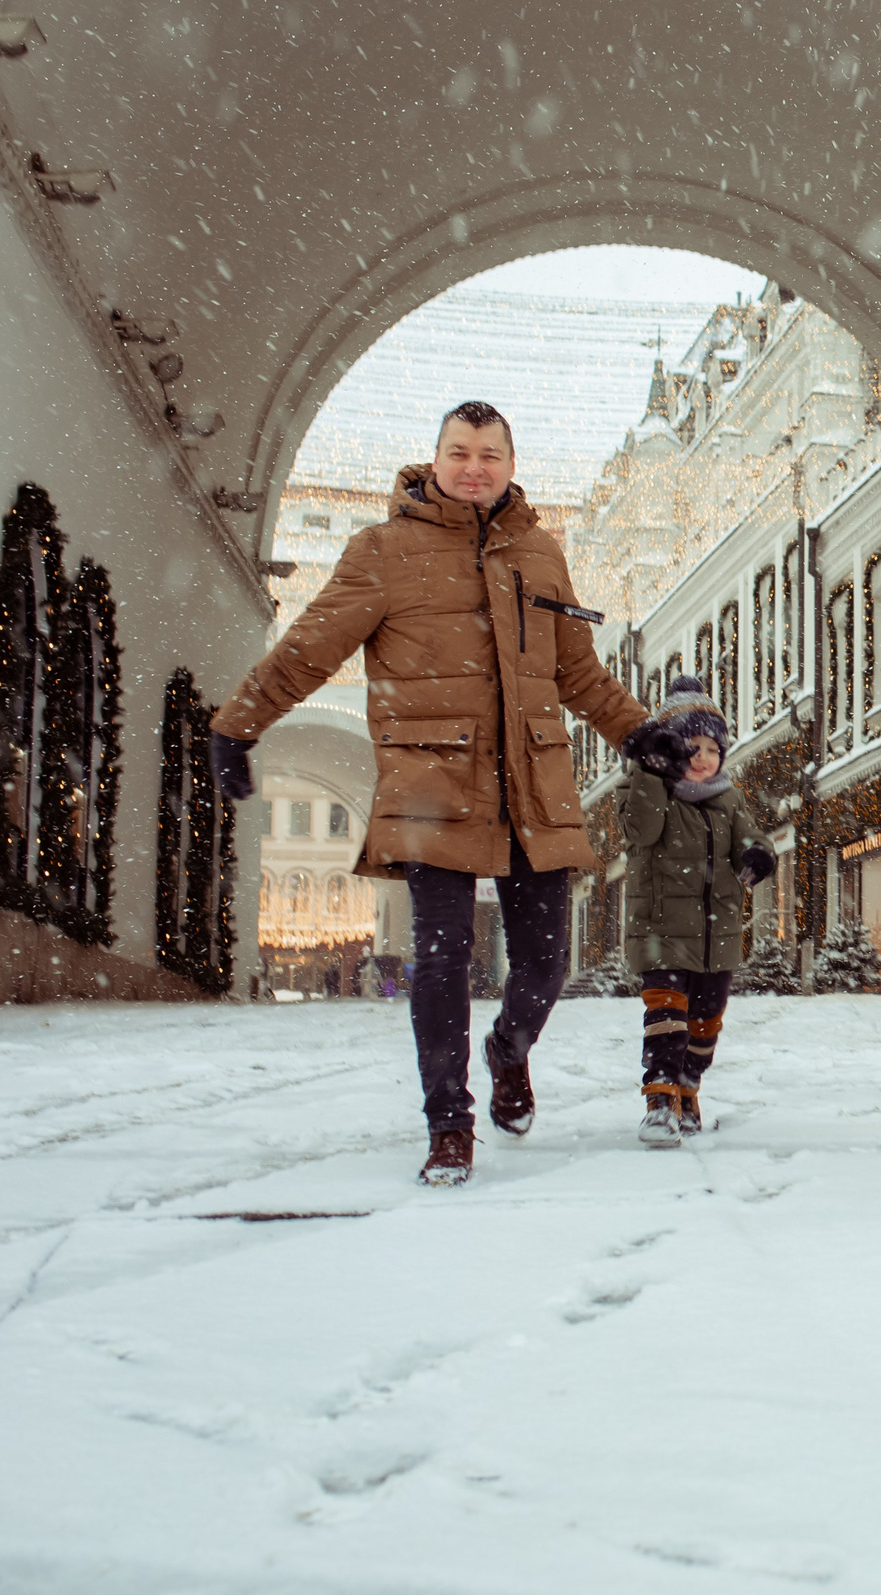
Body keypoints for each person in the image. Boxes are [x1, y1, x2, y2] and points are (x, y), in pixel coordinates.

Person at [208, 401, 687, 1186]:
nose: (475, 467)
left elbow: (578, 673)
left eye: (490, 454)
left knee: (545, 961)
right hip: (431, 782)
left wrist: (638, 733)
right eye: (460, 452)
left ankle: (509, 1047)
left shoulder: (541, 552)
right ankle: (449, 1123)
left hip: (533, 781)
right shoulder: (383, 552)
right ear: (435, 459)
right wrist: (240, 723)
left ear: (509, 462)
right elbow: (309, 646)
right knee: (440, 959)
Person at [620, 676, 774, 1147]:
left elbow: (748, 838)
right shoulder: (647, 789)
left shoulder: (729, 799)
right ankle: (660, 1103)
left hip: (716, 936)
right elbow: (641, 832)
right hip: (662, 930)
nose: (703, 756)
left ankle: (689, 1085)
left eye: (712, 747)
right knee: (667, 1021)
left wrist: (757, 854)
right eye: (691, 745)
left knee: (704, 1026)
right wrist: (650, 771)